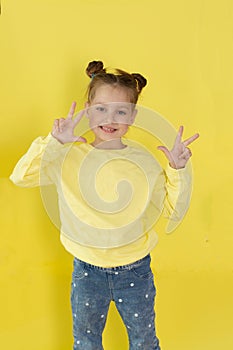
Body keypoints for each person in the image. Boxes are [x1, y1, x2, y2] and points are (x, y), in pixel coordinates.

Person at [10, 60, 199, 350]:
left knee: (144, 340)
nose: (110, 118)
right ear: (88, 108)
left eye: (121, 111)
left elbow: (173, 210)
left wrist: (177, 170)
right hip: (87, 270)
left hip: (135, 270)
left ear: (133, 116)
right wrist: (53, 143)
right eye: (101, 108)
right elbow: (20, 177)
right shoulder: (67, 155)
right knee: (86, 341)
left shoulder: (145, 161)